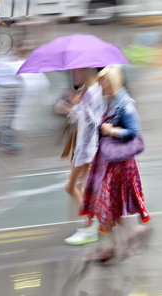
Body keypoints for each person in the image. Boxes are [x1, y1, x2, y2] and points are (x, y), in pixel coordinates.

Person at [80, 65, 151, 263]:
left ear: (112, 82)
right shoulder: (111, 101)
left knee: (108, 205)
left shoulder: (125, 104)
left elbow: (133, 132)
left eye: (103, 82)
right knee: (112, 205)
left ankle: (114, 247)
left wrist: (111, 131)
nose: (100, 85)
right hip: (109, 162)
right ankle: (124, 240)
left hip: (119, 165)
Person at [61, 68, 103, 245]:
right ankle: (91, 224)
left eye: (77, 72)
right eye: (72, 73)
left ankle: (91, 227)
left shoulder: (93, 91)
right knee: (76, 187)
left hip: (89, 148)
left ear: (86, 71)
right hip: (82, 147)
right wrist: (69, 108)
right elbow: (80, 117)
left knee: (77, 188)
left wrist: (80, 104)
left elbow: (96, 121)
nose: (73, 75)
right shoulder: (85, 90)